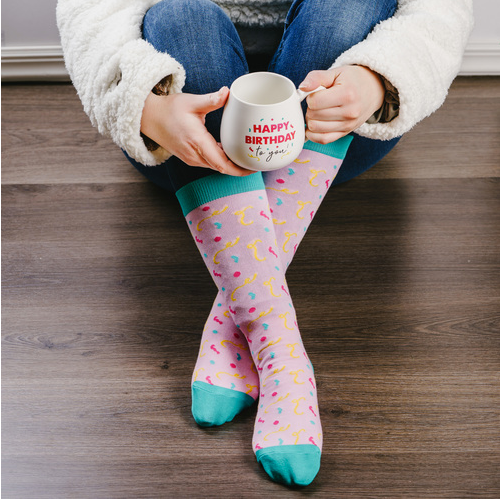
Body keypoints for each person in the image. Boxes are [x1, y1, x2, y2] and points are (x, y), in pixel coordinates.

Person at [57, 0, 474, 487]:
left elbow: (441, 10)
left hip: (334, 127)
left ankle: (236, 332)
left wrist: (376, 78)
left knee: (343, 7)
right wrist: (145, 104)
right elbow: (90, 10)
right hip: (183, 133)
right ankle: (281, 349)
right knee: (182, 19)